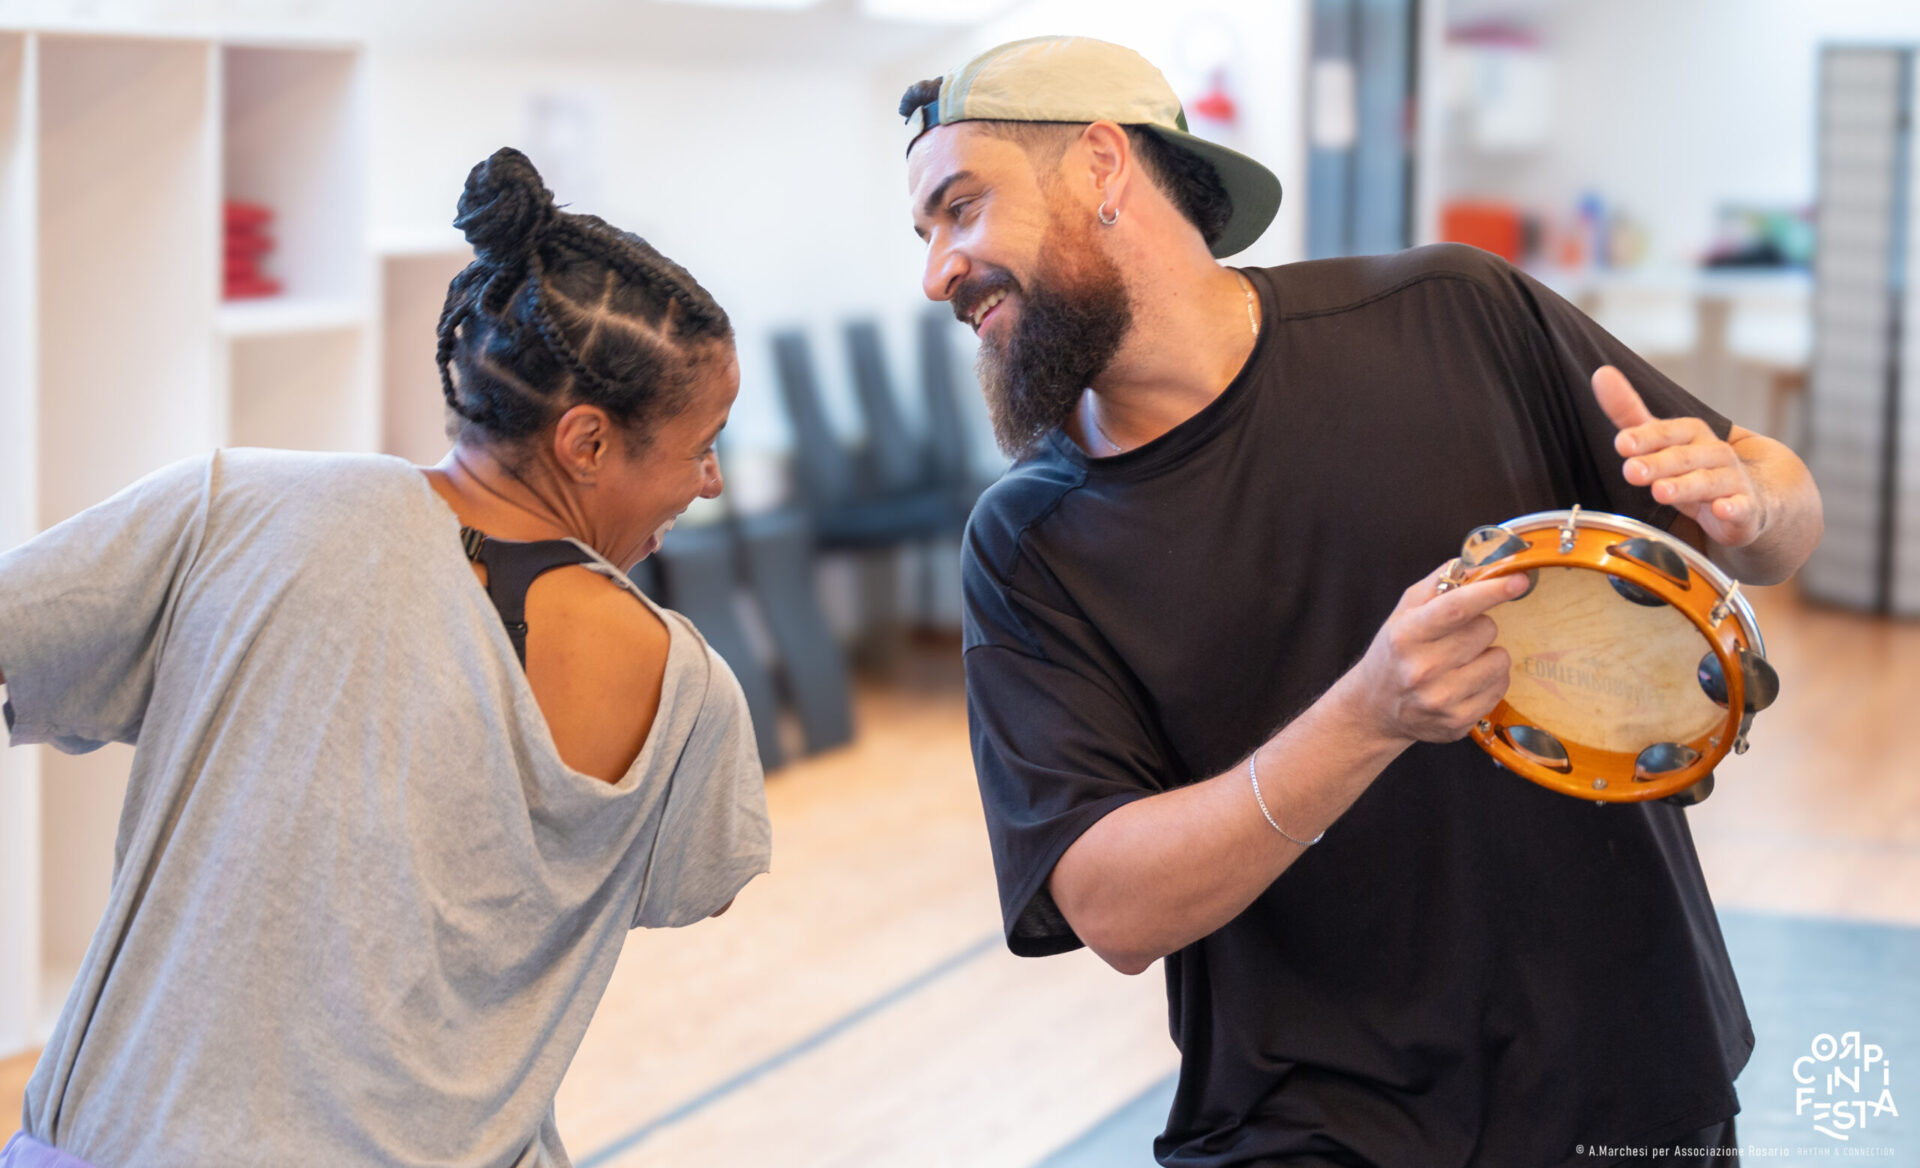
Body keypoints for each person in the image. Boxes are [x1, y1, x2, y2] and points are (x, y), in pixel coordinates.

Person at [899, 36, 1821, 1168]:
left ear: (1101, 163)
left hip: (1626, 1071)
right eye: (925, 233)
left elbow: (1777, 508)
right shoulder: (1028, 543)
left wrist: (1751, 507)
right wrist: (1370, 712)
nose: (937, 273)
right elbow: (1111, 908)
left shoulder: (1452, 313)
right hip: (1306, 1120)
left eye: (960, 208)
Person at [0, 148, 771, 1167]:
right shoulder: (687, 694)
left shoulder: (234, 508)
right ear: (587, 443)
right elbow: (703, 880)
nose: (711, 482)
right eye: (702, 445)